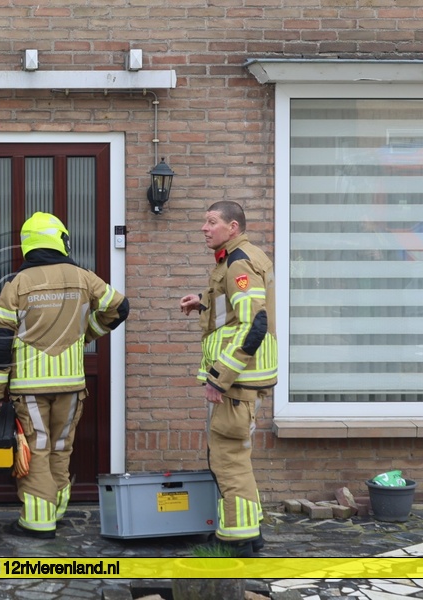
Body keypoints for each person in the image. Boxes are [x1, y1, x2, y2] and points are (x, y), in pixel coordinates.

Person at [0, 212, 129, 538]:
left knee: (37, 450)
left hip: (29, 388)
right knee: (61, 447)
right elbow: (120, 308)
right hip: (72, 385)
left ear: (28, 244)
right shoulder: (84, 277)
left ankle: (38, 521)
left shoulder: (16, 285)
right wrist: (86, 334)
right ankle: (57, 509)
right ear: (62, 240)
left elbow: (1, 341)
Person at [179, 200, 277, 558]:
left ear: (232, 227)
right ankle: (250, 532)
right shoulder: (236, 258)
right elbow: (236, 310)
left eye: (211, 222)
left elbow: (254, 324)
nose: (204, 228)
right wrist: (203, 302)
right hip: (242, 381)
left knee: (228, 458)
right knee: (237, 457)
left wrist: (218, 378)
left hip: (236, 382)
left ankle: (236, 539)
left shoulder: (239, 262)